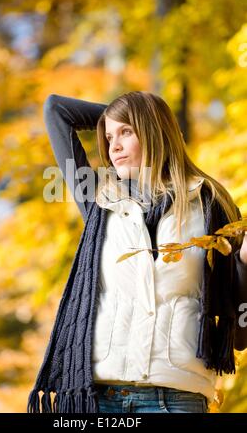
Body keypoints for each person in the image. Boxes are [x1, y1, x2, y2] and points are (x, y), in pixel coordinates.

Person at [27, 91, 247, 414]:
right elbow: (56, 110)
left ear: (154, 133)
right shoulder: (99, 202)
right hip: (98, 398)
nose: (113, 146)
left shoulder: (211, 204)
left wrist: (244, 264)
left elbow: (239, 325)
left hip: (176, 398)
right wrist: (129, 115)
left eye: (126, 132)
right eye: (108, 136)